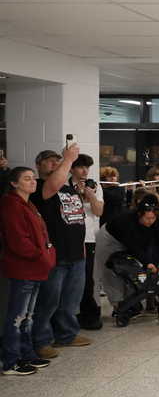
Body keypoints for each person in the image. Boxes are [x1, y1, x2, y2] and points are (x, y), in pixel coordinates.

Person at [31, 146, 90, 359]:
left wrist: (82, 246)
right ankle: (41, 340)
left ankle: (66, 334)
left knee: (70, 301)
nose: (55, 163)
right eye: (49, 160)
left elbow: (76, 218)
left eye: (58, 160)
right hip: (54, 256)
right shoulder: (38, 187)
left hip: (76, 254)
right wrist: (68, 159)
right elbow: (51, 187)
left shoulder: (68, 189)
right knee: (48, 301)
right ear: (38, 166)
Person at [1, 168, 56, 375]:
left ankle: (27, 353)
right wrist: (41, 256)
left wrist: (47, 255)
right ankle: (11, 360)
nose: (33, 182)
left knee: (28, 316)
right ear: (14, 183)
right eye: (27, 179)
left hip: (36, 268)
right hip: (23, 268)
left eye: (33, 178)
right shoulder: (10, 205)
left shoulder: (28, 204)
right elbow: (18, 241)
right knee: (17, 316)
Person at [97, 192, 159, 318]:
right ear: (139, 215)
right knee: (111, 270)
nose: (151, 221)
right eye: (147, 218)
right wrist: (148, 262)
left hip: (131, 241)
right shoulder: (127, 221)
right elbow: (134, 247)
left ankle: (133, 302)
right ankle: (118, 306)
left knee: (133, 271)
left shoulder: (156, 221)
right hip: (110, 238)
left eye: (153, 218)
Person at [70, 155, 104, 330]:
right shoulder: (66, 186)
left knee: (88, 279)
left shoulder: (95, 186)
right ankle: (70, 315)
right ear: (72, 169)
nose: (84, 171)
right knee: (70, 280)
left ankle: (90, 315)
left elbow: (98, 211)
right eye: (80, 167)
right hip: (69, 238)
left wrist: (90, 195)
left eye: (87, 167)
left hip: (89, 238)